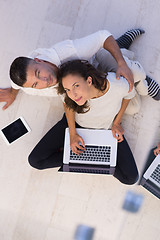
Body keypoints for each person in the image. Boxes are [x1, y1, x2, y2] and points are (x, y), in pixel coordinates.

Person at [28, 59, 143, 185]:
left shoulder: (117, 85)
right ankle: (82, 158)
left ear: (89, 81)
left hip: (106, 129)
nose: (73, 94)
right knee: (35, 161)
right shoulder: (70, 95)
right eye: (67, 90)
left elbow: (129, 95)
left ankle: (93, 160)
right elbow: (68, 104)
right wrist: (72, 134)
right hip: (75, 125)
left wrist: (117, 122)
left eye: (76, 86)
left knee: (131, 178)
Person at [0, 29, 159, 110]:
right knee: (130, 108)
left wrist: (121, 64)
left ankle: (137, 75)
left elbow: (102, 36)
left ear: (39, 60)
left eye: (38, 73)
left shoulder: (69, 51)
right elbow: (19, 84)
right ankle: (120, 47)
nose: (44, 81)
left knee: (127, 69)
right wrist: (13, 93)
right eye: (35, 84)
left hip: (95, 63)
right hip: (85, 86)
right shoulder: (29, 87)